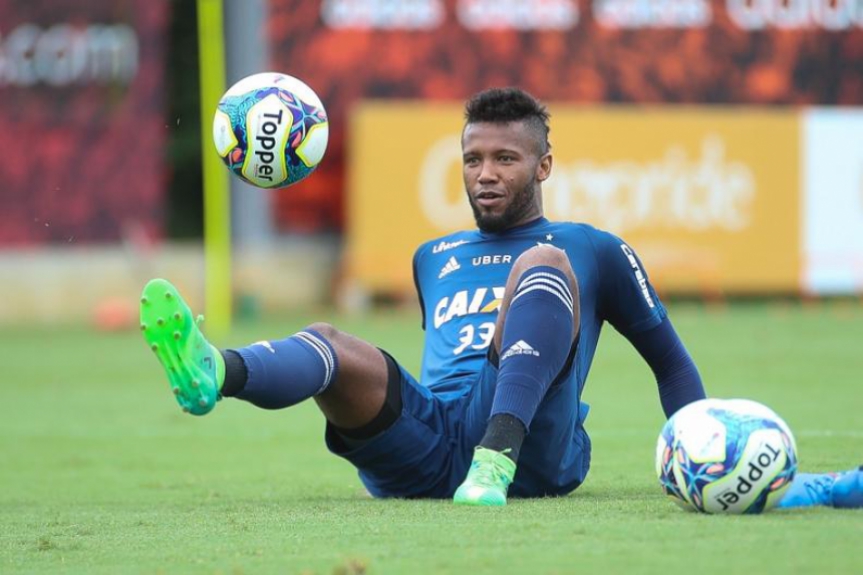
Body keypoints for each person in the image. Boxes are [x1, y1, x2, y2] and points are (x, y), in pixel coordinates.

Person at [140, 87, 862, 509]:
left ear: (542, 163)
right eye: (472, 159)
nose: (484, 174)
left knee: (541, 265)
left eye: (504, 158)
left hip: (533, 452)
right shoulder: (434, 255)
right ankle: (215, 373)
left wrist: (708, 455)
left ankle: (496, 456)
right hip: (429, 443)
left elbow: (669, 365)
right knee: (331, 343)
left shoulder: (590, 248)